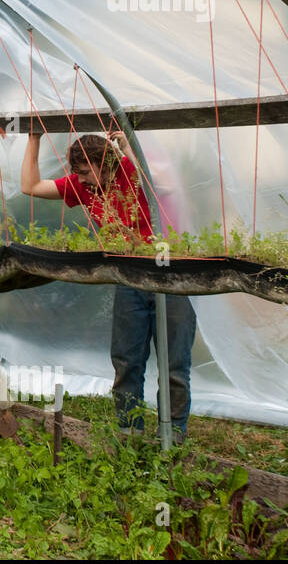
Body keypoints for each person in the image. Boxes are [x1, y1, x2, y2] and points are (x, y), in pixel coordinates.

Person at [20, 129, 197, 439]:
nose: (82, 179)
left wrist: (128, 145)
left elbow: (161, 186)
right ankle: (130, 436)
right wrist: (33, 139)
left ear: (105, 163)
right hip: (128, 279)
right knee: (127, 362)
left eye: (86, 171)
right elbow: (30, 186)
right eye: (77, 173)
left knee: (175, 367)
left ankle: (174, 437)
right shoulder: (82, 186)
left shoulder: (130, 171)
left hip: (171, 275)